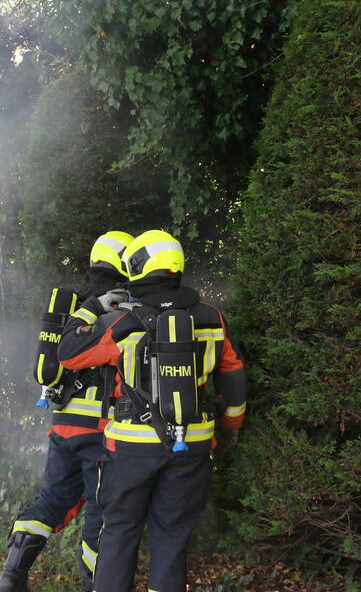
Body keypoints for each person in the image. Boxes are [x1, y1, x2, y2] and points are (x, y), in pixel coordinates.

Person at [57, 229, 247, 592]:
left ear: (138, 267)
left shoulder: (123, 322)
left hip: (130, 449)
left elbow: (68, 353)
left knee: (119, 532)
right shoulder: (211, 318)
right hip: (192, 446)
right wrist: (232, 424)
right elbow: (233, 370)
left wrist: (91, 308)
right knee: (172, 537)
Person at [0, 231, 135, 592]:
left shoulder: (73, 304)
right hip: (102, 428)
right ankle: (95, 584)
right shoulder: (120, 305)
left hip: (63, 423)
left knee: (53, 498)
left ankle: (11, 576)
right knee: (100, 511)